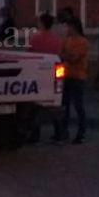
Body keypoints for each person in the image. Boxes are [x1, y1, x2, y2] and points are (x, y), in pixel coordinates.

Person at [27, 13, 62, 142]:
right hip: (52, 74)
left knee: (35, 104)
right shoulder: (57, 40)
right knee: (54, 103)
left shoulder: (35, 39)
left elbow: (30, 55)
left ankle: (35, 134)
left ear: (41, 23)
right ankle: (58, 132)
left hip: (37, 74)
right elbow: (59, 56)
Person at [55, 17, 89, 144]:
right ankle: (64, 133)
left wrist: (66, 56)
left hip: (78, 76)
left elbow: (74, 58)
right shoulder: (67, 41)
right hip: (66, 75)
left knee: (78, 106)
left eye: (69, 27)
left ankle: (81, 133)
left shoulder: (82, 42)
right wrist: (66, 56)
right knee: (65, 105)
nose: (67, 29)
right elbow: (60, 54)